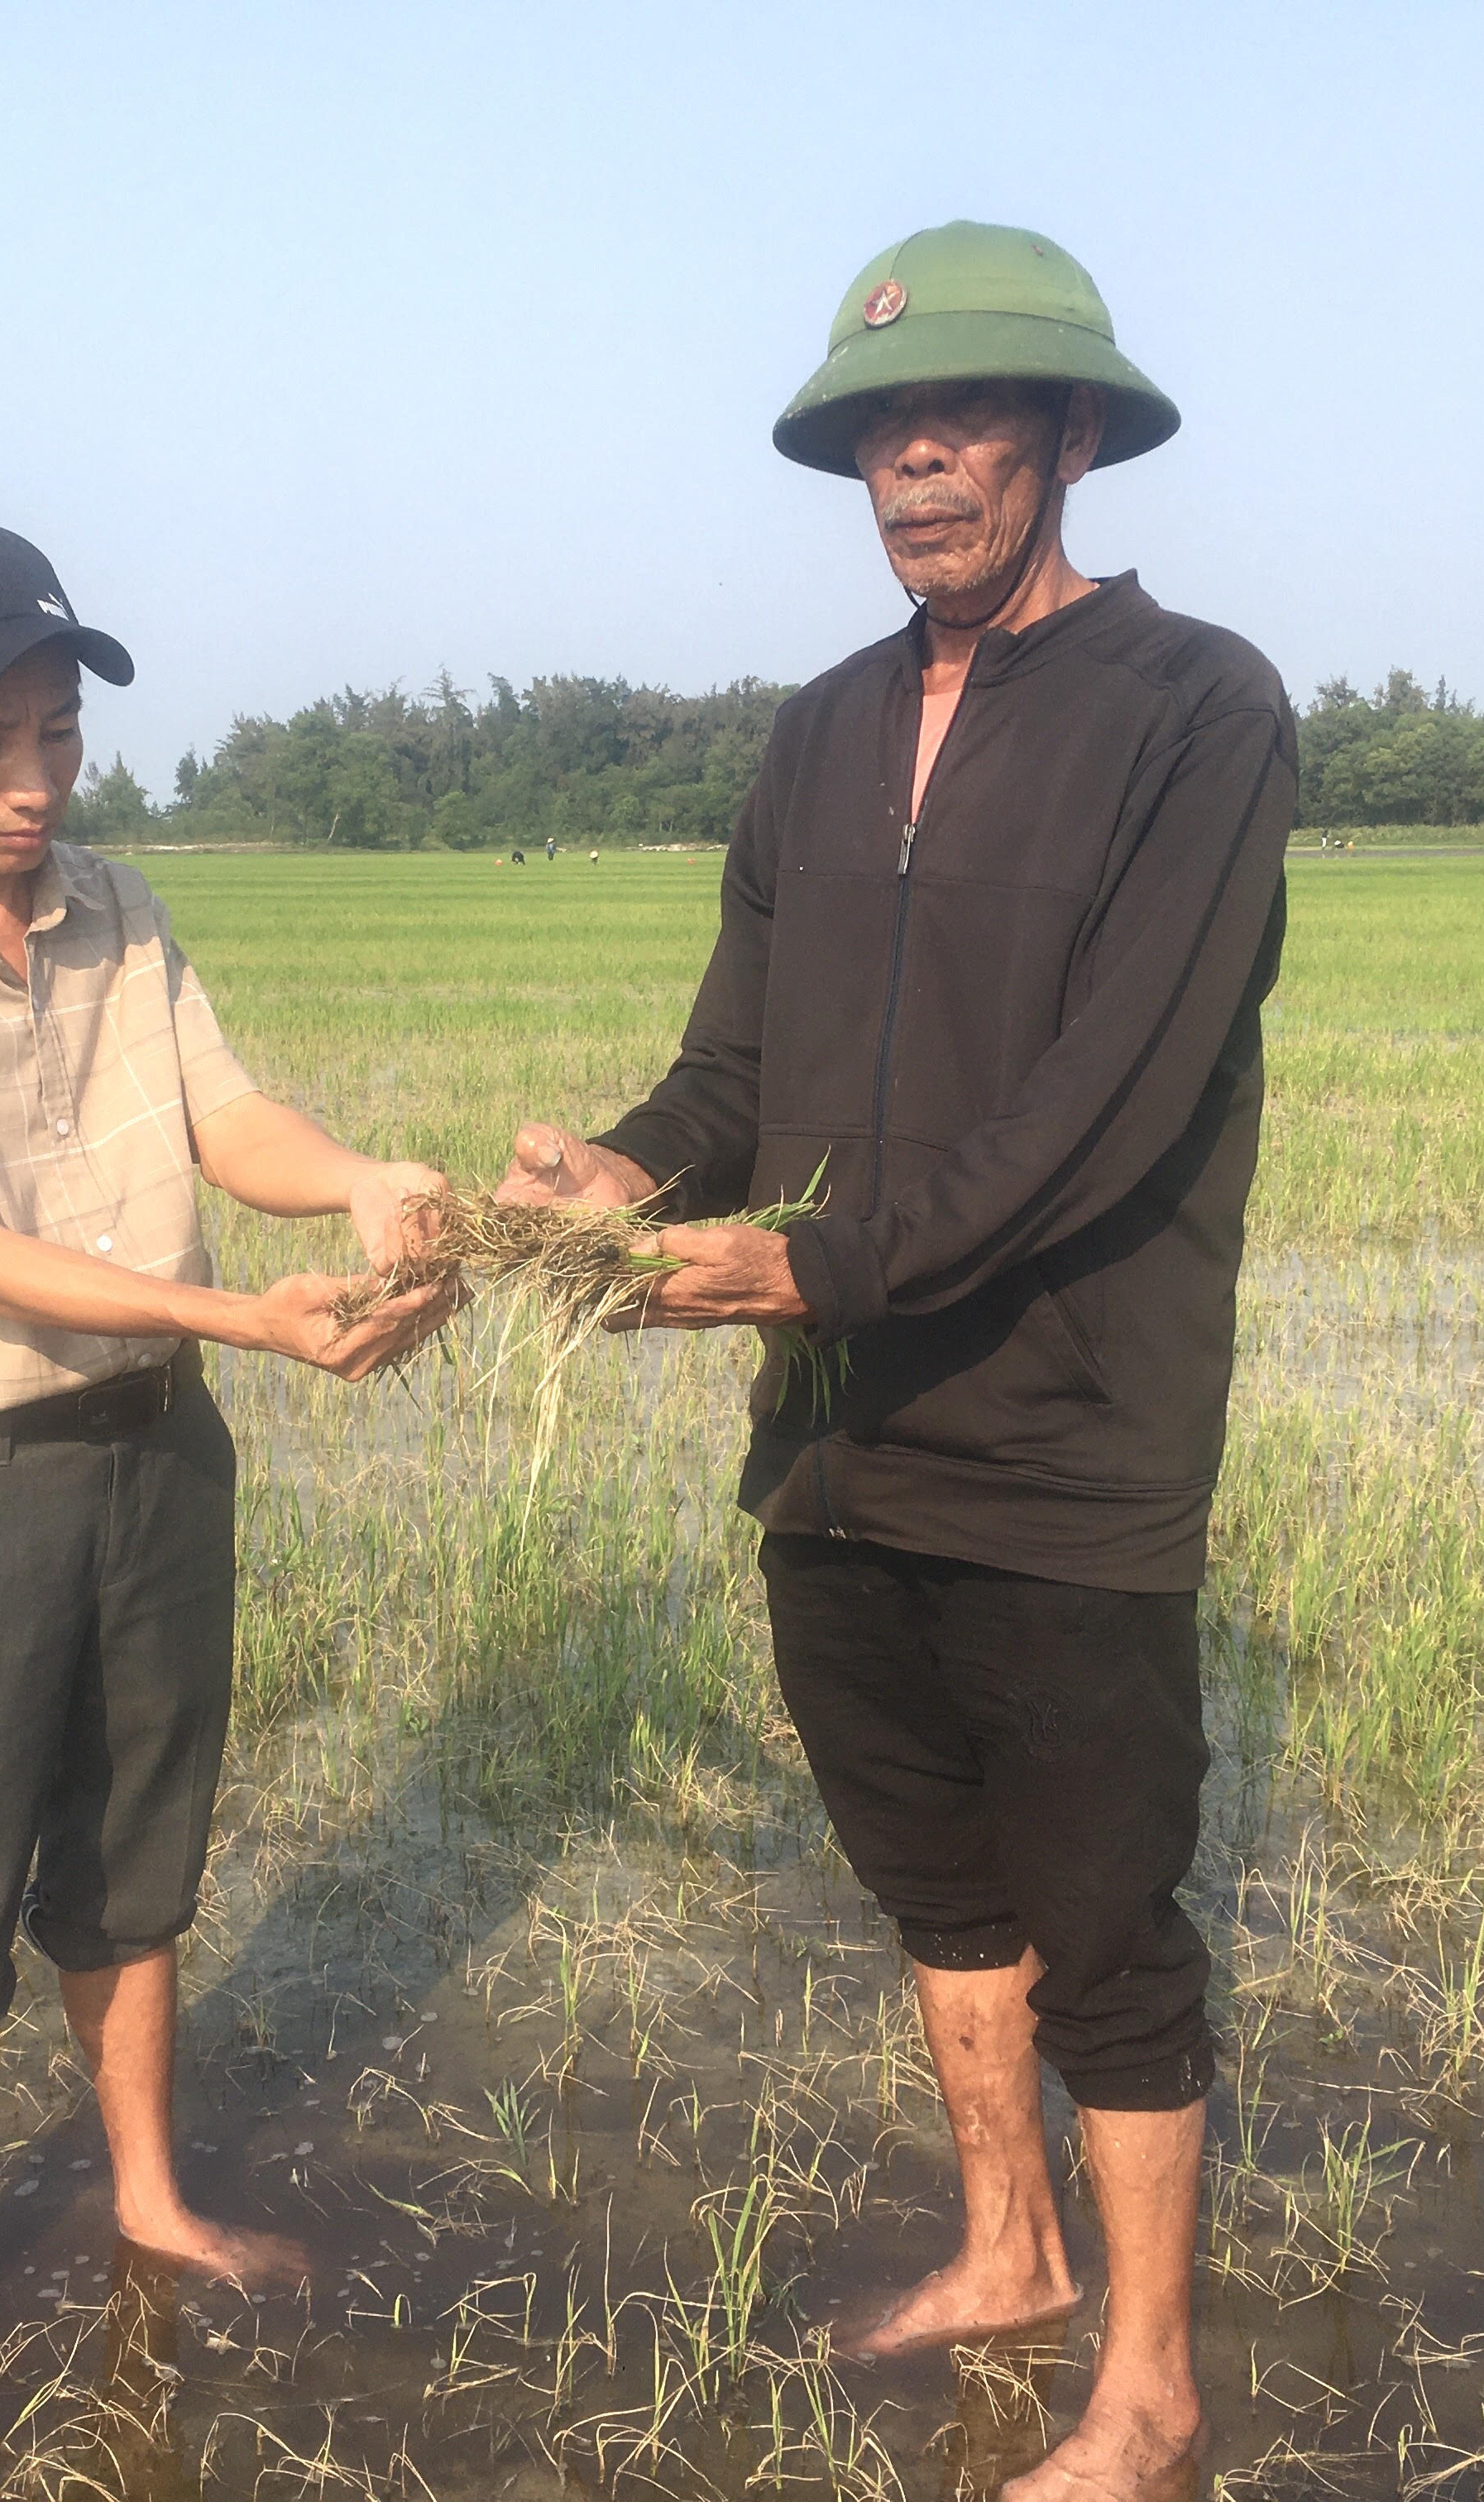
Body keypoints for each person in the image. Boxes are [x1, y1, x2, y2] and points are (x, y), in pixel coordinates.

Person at [500, 224, 1290, 2502]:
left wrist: (801, 1272)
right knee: (936, 1886)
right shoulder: (828, 728)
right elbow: (732, 1069)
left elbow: (1104, 1111)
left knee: (1110, 1926)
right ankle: (1006, 2252)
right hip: (837, 1455)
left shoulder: (1197, 713)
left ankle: (1143, 2392)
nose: (914, 463)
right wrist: (618, 1183)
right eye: (881, 430)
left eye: (961, 422)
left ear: (1065, 437)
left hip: (1065, 1440)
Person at [0, 518, 452, 2447]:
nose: (36, 782)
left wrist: (369, 1180)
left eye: (58, 732)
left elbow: (227, 1117)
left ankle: (147, 2199)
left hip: (154, 1470)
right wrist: (246, 1321)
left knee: (140, 1870)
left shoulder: (118, 908)